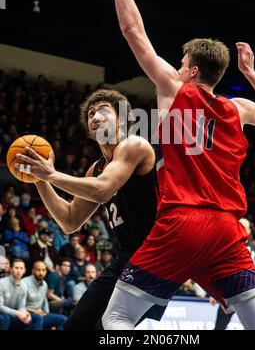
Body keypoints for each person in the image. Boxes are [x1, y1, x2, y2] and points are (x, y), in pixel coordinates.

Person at [96, 0, 255, 330]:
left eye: (182, 62)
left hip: (181, 220)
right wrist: (252, 74)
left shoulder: (174, 88)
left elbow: (132, 30)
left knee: (115, 318)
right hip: (228, 230)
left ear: (192, 71)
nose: (178, 66)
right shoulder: (239, 109)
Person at [16, 89, 163, 330]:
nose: (94, 117)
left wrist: (52, 174)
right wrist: (40, 180)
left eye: (103, 111)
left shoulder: (133, 145)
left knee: (106, 328)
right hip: (126, 259)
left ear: (124, 119)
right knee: (75, 325)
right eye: (91, 113)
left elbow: (102, 190)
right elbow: (70, 220)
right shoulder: (96, 168)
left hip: (154, 259)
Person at [211, 218, 255, 330]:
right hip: (229, 292)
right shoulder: (226, 244)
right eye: (239, 226)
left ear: (249, 230)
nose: (241, 229)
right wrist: (215, 292)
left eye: (245, 227)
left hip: (249, 292)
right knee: (219, 326)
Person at [21, 261, 67, 330]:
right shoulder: (24, 283)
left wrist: (47, 315)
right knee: (38, 318)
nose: (41, 273)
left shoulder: (44, 284)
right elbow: (19, 306)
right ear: (33, 271)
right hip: (27, 314)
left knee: (63, 319)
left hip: (40, 314)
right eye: (38, 270)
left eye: (43, 270)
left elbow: (44, 302)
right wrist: (34, 311)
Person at [0, 259, 42, 330]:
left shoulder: (24, 286)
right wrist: (17, 313)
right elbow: (0, 307)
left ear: (24, 271)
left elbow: (21, 306)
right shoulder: (1, 283)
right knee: (5, 318)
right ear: (11, 269)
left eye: (21, 268)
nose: (18, 271)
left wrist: (24, 313)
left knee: (34, 317)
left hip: (12, 315)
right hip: (2, 314)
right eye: (16, 268)